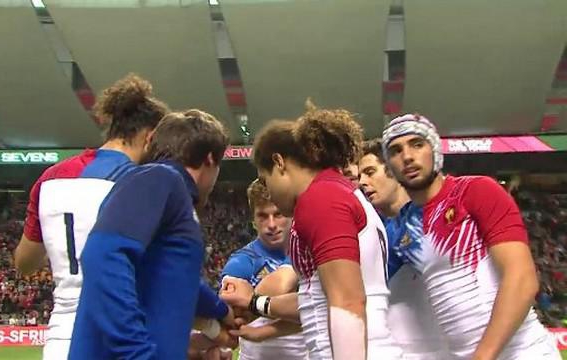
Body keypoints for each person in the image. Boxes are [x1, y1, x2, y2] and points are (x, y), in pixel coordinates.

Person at [222, 103, 403, 360]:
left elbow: (348, 302)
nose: (269, 191)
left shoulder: (322, 197)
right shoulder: (337, 191)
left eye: (265, 179)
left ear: (279, 162)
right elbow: (316, 302)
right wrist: (255, 302)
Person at [14, 73, 170, 360]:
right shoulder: (141, 183)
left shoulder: (49, 178)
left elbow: (25, 262)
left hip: (62, 340)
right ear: (150, 137)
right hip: (120, 338)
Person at [381, 114, 560, 360]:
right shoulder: (402, 227)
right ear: (389, 166)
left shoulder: (475, 191)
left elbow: (522, 280)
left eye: (417, 144)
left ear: (434, 149)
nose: (407, 156)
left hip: (524, 353)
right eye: (395, 150)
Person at [69, 109, 230, 360]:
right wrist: (137, 353)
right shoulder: (160, 177)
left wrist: (221, 311)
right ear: (210, 159)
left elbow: (170, 275)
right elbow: (102, 255)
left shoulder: (170, 194)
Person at [359, 139, 450, 360]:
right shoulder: (373, 232)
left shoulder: (436, 214)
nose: (362, 182)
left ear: (392, 169)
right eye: (360, 175)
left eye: (370, 172)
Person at [220, 179, 307, 360]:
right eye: (263, 216)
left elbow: (285, 286)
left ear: (292, 213)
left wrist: (251, 299)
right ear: (253, 220)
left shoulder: (309, 251)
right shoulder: (242, 260)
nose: (272, 224)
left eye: (278, 214)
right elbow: (231, 311)